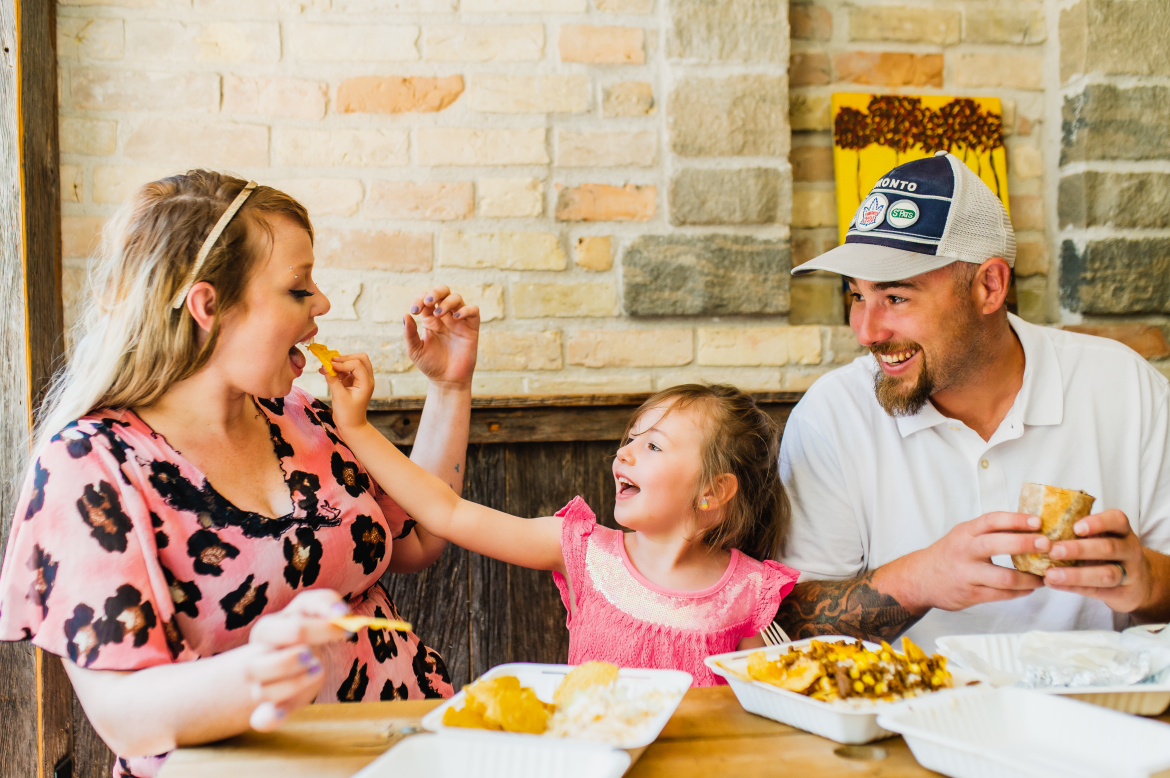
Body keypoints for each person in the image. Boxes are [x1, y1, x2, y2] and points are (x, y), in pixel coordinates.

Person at [0, 171, 482, 778]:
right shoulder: (91, 467)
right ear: (208, 306)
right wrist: (259, 670)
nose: (323, 304)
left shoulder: (297, 413)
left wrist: (449, 388)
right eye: (297, 288)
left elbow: (420, 538)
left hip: (410, 753)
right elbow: (124, 716)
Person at [772, 152, 1170, 651]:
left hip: (1096, 712)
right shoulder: (833, 414)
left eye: (895, 298)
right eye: (856, 296)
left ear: (990, 285)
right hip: (897, 719)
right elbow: (781, 624)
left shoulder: (1124, 386)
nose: (865, 331)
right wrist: (920, 579)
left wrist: (1144, 581)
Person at [322, 375, 798, 686]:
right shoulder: (581, 550)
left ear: (713, 493)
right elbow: (447, 512)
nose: (624, 454)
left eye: (653, 446)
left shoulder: (747, 592)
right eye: (629, 439)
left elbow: (765, 706)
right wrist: (357, 427)